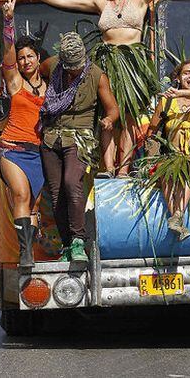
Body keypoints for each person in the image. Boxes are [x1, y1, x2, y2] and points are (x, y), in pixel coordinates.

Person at [16, 0, 173, 177]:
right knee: (107, 112)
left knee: (130, 115)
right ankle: (108, 167)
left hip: (132, 61)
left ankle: (124, 168)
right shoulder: (101, 3)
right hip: (107, 59)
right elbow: (65, 2)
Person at [39, 32, 119, 262]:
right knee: (56, 194)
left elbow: (113, 108)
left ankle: (78, 241)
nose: (74, 70)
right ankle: (66, 246)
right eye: (70, 66)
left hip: (80, 136)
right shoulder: (52, 66)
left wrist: (109, 120)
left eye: (77, 66)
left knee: (71, 182)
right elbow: (34, 76)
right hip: (51, 137)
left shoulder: (95, 75)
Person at [0, 0, 47, 268]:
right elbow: (7, 50)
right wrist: (8, 20)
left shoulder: (51, 87)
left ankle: (32, 247)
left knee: (34, 208)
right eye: (21, 57)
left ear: (38, 58)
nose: (26, 61)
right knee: (21, 196)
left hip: (38, 154)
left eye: (30, 56)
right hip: (13, 150)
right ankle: (25, 254)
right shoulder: (15, 83)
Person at [146, 59, 190, 239]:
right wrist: (149, 160)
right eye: (186, 72)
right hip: (172, 155)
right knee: (170, 168)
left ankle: (177, 215)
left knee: (186, 165)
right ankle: (175, 218)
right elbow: (152, 132)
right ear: (177, 77)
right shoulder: (166, 101)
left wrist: (180, 93)